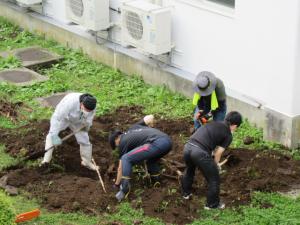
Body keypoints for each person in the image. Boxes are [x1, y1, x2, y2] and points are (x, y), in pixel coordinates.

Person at [181, 111, 242, 209]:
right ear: (235, 125)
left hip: (188, 147)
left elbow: (209, 140)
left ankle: (185, 194)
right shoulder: (228, 135)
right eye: (236, 127)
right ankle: (212, 204)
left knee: (189, 170)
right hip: (199, 152)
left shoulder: (214, 123)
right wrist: (216, 165)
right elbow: (218, 153)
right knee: (214, 179)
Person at [109, 115, 172, 202]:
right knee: (151, 160)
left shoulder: (123, 142)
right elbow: (149, 117)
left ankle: (124, 189)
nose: (118, 146)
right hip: (167, 141)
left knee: (125, 158)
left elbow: (121, 167)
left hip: (156, 143)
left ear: (117, 138)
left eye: (116, 145)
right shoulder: (133, 127)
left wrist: (116, 184)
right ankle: (156, 181)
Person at [41, 93, 98, 171]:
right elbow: (57, 118)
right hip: (65, 118)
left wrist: (86, 127)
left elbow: (89, 118)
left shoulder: (93, 106)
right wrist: (54, 135)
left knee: (85, 141)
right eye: (86, 109)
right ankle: (46, 161)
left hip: (79, 121)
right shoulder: (70, 102)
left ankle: (86, 162)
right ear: (81, 104)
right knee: (51, 136)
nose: (87, 112)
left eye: (89, 111)